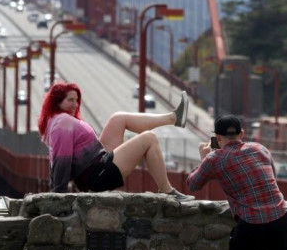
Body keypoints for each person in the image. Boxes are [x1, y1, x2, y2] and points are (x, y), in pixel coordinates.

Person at [38, 82, 194, 201]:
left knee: (118, 118)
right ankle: (167, 191)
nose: (75, 105)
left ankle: (174, 117)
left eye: (77, 100)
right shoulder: (63, 122)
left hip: (96, 165)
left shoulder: (57, 120)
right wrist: (58, 194)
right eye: (70, 100)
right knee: (149, 138)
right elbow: (61, 159)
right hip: (97, 177)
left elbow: (59, 158)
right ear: (57, 102)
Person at [187, 114, 287, 250]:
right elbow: (272, 179)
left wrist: (205, 158)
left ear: (217, 138)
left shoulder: (215, 159)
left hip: (251, 223)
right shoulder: (260, 148)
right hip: (281, 218)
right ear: (241, 133)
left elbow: (193, 184)